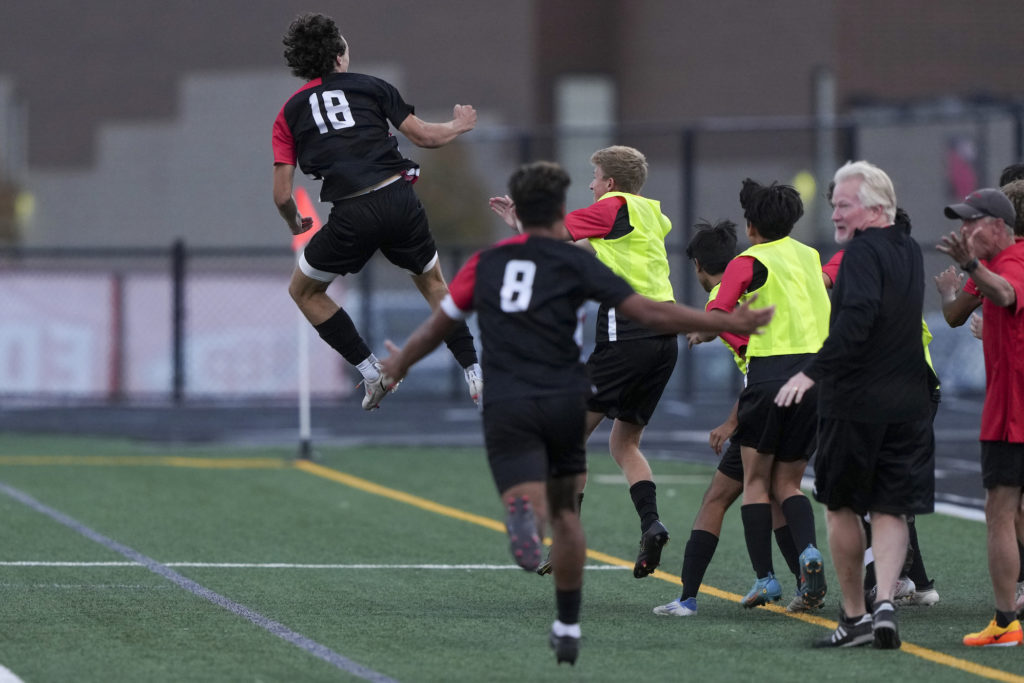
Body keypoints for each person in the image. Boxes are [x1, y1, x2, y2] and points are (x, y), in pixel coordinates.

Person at [380, 161, 774, 665]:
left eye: (594, 180)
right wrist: (715, 320)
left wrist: (398, 363)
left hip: (515, 393)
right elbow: (650, 308)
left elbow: (442, 320)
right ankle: (576, 610)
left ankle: (527, 513)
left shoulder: (495, 260)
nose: (590, 188)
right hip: (606, 367)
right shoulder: (617, 239)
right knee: (601, 469)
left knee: (539, 465)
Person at [271, 12, 482, 410]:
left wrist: (292, 220)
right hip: (399, 198)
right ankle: (474, 372)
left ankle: (371, 371)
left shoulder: (289, 113)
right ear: (338, 55)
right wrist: (459, 125)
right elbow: (424, 137)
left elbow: (283, 195)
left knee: (304, 290)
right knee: (435, 286)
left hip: (352, 213)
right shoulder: (372, 87)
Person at [490, 146, 678, 578]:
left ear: (610, 184)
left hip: (627, 333)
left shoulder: (611, 207)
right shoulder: (650, 213)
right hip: (664, 337)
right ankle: (651, 522)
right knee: (624, 444)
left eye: (594, 177)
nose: (590, 185)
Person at [777, 161, 933, 650]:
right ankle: (885, 600)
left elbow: (857, 321)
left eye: (843, 205)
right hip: (909, 400)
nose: (835, 213)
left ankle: (854, 617)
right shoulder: (908, 249)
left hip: (856, 400)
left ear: (875, 208)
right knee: (890, 507)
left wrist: (810, 371)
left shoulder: (861, 254)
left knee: (841, 506)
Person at [652, 220, 805, 617]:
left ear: (699, 266)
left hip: (765, 402)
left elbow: (755, 363)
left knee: (718, 498)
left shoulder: (721, 299)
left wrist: (731, 421)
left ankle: (688, 598)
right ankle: (806, 582)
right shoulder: (764, 278)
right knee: (778, 492)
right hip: (804, 391)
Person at [694, 179, 830, 611]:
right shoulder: (810, 256)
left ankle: (766, 579)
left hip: (769, 375)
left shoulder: (747, 261)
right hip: (815, 379)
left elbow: (718, 309)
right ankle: (809, 551)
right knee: (789, 482)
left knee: (755, 483)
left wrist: (705, 327)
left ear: (750, 226)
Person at [821, 191, 942, 609]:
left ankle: (871, 598)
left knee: (860, 496)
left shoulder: (861, 259)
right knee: (893, 492)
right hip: (917, 385)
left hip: (880, 389)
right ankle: (911, 583)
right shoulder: (906, 262)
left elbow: (822, 285)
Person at [936, 186, 1024, 647]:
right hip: (1008, 412)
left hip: (1014, 417)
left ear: (998, 227)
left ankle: (1006, 622)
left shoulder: (1011, 262)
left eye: (973, 222)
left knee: (1001, 514)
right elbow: (959, 314)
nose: (965, 230)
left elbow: (1007, 293)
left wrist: (969, 267)